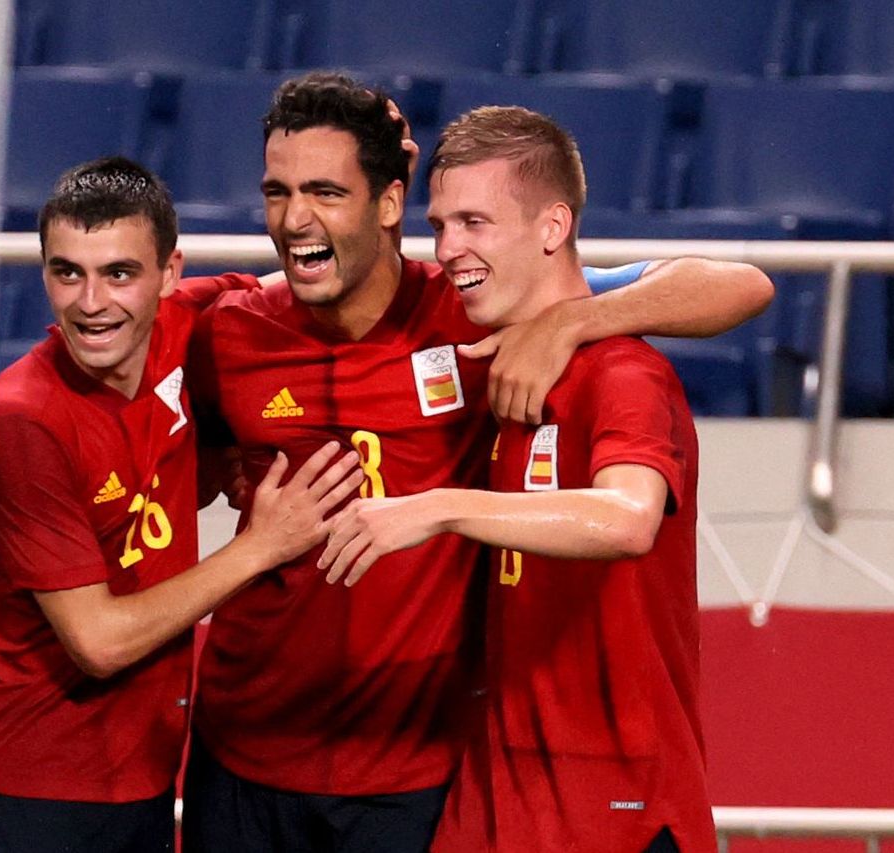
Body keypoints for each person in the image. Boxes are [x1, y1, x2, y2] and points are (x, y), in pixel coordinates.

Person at [180, 73, 770, 853]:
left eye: (326, 189)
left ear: (384, 203)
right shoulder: (230, 328)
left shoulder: (487, 320)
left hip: (422, 777)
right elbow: (100, 347)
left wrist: (574, 323)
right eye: (277, 192)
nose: (296, 218)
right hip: (250, 757)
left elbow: (741, 285)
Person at [320, 106, 714, 853]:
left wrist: (436, 508)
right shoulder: (488, 350)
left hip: (615, 805)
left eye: (474, 221)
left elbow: (628, 518)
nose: (447, 248)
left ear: (552, 226)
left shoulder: (625, 374)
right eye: (439, 224)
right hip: (495, 790)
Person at [0, 156, 362, 853]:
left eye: (119, 273)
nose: (91, 302)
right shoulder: (27, 416)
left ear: (169, 274)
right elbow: (100, 642)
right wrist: (262, 545)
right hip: (43, 791)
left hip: (145, 772)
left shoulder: (194, 322)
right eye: (67, 272)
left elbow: (319, 286)